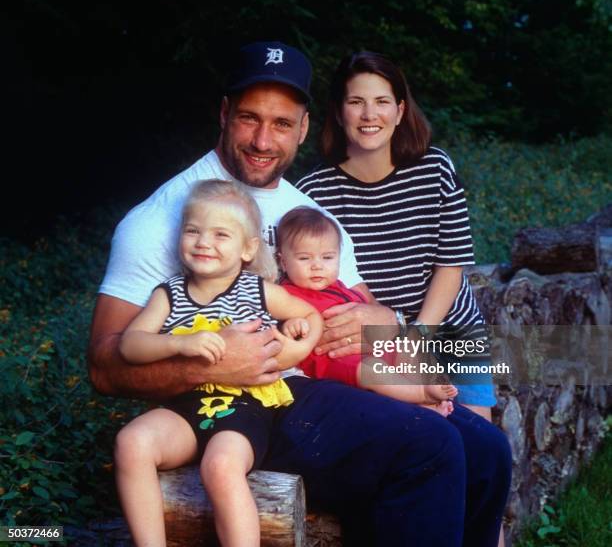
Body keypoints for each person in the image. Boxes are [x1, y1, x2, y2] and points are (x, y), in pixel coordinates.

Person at [88, 41, 511, 546]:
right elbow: (103, 366)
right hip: (238, 410)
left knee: (487, 448)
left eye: (282, 124)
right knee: (428, 446)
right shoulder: (164, 218)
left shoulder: (311, 214)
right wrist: (213, 365)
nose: (264, 140)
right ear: (224, 114)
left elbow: (362, 315)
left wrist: (389, 344)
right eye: (249, 118)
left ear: (304, 128)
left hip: (321, 383)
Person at [295, 50, 509, 541]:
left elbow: (451, 267)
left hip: (451, 332)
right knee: (431, 470)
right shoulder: (315, 191)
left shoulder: (434, 168)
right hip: (375, 349)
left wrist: (415, 335)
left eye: (381, 101)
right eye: (356, 102)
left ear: (400, 108)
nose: (369, 115)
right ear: (338, 111)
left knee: (481, 463)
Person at [114, 179, 323, 547]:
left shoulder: (254, 288)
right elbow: (131, 345)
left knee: (221, 467)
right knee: (131, 442)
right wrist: (180, 343)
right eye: (193, 230)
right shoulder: (170, 293)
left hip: (245, 408)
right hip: (184, 408)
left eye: (220, 235)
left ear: (247, 248)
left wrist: (294, 343)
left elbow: (310, 314)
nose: (203, 242)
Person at [277, 205, 457, 416]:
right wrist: (291, 326)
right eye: (305, 258)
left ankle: (431, 393)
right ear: (283, 261)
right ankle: (421, 395)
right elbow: (282, 323)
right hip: (332, 359)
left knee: (408, 347)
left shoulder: (339, 287)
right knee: (371, 369)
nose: (317, 266)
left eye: (327, 258)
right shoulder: (286, 294)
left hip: (366, 347)